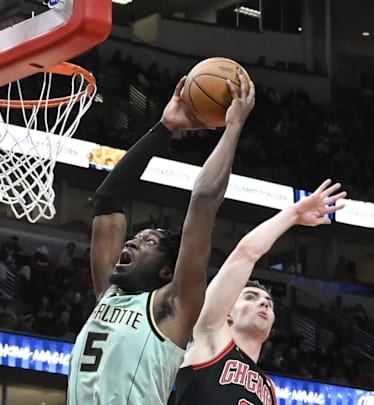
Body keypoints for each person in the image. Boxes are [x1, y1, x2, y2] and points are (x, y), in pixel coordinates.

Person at [67, 72, 255, 404]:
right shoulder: (108, 295)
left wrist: (233, 128)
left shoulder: (174, 307)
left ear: (168, 272)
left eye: (148, 241)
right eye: (136, 238)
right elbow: (108, 198)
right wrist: (164, 128)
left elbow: (203, 202)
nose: (131, 242)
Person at [173, 179, 346, 405]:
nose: (264, 304)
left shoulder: (269, 389)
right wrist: (293, 214)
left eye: (269, 303)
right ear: (227, 314)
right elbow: (245, 254)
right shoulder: (210, 337)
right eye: (250, 297)